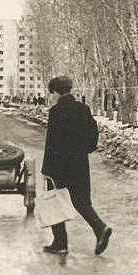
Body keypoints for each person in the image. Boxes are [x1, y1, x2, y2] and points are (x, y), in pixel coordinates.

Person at [41, 75, 112, 256]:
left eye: (52, 93)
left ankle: (60, 243)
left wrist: (47, 170)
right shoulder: (83, 109)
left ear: (55, 92)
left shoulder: (56, 111)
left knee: (56, 201)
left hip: (59, 165)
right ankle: (100, 228)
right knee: (81, 201)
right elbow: (93, 132)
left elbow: (53, 142)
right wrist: (86, 149)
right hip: (80, 163)